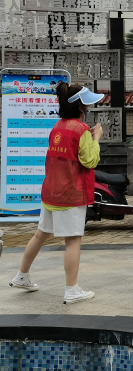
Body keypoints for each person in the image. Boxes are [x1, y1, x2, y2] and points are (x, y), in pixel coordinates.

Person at [9, 83, 104, 304]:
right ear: (80, 106)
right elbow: (89, 161)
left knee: (40, 234)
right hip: (71, 192)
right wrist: (96, 138)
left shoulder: (58, 126)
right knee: (73, 241)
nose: (89, 106)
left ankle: (22, 275)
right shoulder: (81, 130)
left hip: (51, 189)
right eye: (87, 103)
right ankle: (71, 290)